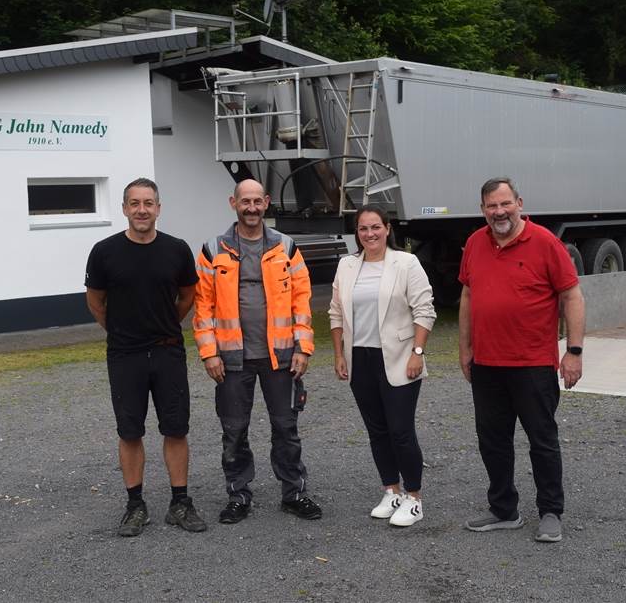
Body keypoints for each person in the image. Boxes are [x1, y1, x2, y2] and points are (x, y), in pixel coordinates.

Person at [458, 177, 585, 543]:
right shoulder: (474, 243)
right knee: (492, 440)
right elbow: (468, 296)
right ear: (483, 209)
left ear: (519, 202)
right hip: (487, 365)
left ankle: (550, 511)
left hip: (532, 364)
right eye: (491, 206)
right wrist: (465, 348)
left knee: (542, 440)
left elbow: (572, 297)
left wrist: (573, 352)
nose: (499, 212)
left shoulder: (545, 242)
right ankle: (503, 509)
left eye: (505, 204)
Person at [193, 179, 320, 524]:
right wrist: (210, 354)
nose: (251, 208)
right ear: (233, 202)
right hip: (231, 359)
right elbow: (203, 308)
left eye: (257, 201)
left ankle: (294, 492)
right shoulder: (212, 249)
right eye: (244, 201)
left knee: (286, 427)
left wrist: (303, 348)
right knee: (234, 431)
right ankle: (238, 495)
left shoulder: (286, 247)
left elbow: (301, 301)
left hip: (280, 356)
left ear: (266, 203)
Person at [85, 177, 207, 537]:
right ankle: (135, 505)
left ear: (158, 208)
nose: (142, 210)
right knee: (130, 431)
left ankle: (180, 502)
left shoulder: (177, 249)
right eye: (134, 203)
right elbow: (95, 302)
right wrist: (123, 331)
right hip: (125, 355)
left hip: (168, 351)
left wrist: (166, 324)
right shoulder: (104, 251)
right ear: (124, 208)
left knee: (176, 428)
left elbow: (188, 295)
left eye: (148, 203)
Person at [329, 205, 436, 527]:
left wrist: (417, 352)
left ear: (387, 229)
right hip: (360, 358)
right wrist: (338, 354)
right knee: (377, 431)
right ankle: (392, 489)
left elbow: (425, 310)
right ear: (357, 233)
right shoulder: (347, 266)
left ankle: (414, 497)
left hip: (400, 356)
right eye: (363, 229)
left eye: (375, 227)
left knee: (401, 431)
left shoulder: (406, 263)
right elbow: (335, 313)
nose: (370, 234)